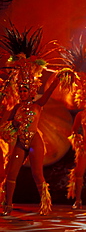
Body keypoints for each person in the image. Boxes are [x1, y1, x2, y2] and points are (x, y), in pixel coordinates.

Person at [2, 72, 61, 215]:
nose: (22, 93)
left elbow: (49, 92)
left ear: (31, 92)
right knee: (11, 174)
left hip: (35, 142)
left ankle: (45, 205)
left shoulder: (38, 104)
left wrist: (57, 79)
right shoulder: (16, 108)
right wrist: (12, 123)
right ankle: (7, 205)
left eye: (25, 91)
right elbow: (3, 123)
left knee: (37, 174)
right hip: (20, 143)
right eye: (20, 90)